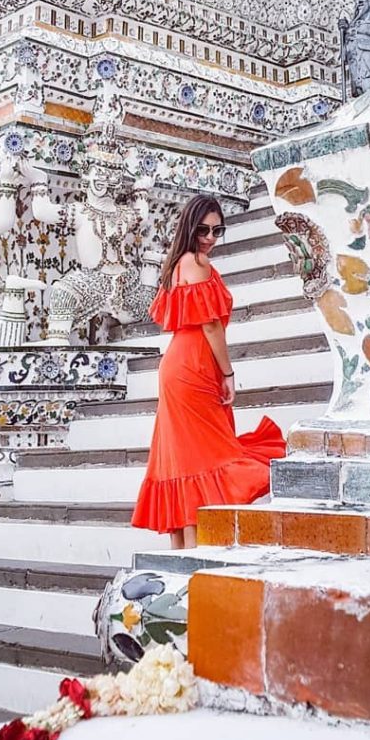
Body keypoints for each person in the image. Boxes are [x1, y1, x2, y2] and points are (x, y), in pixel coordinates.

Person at [131, 195, 285, 548]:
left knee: (185, 461)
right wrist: (228, 373)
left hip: (179, 367)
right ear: (189, 226)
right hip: (194, 369)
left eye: (218, 230)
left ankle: (183, 559)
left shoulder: (177, 265)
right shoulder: (196, 263)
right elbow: (211, 326)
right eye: (203, 230)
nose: (211, 237)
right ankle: (195, 554)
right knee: (205, 457)